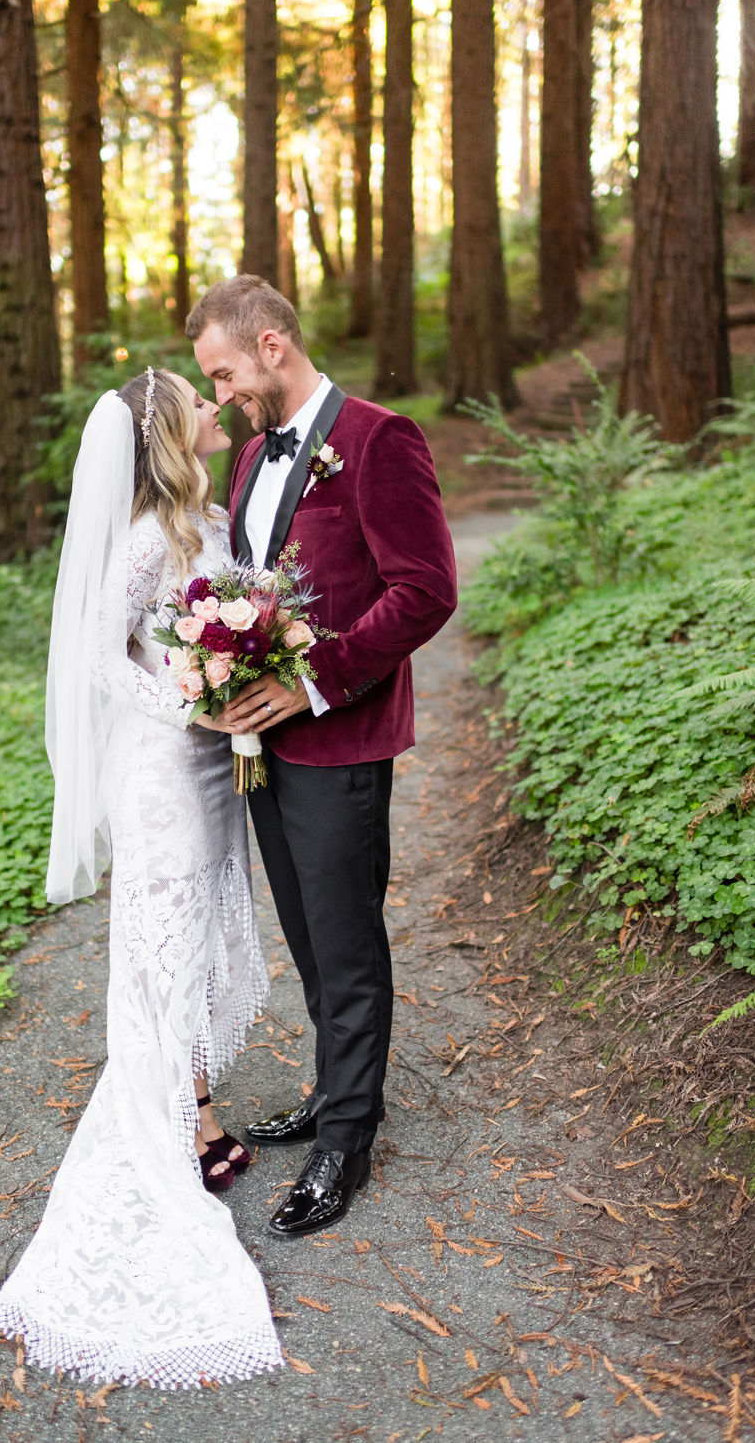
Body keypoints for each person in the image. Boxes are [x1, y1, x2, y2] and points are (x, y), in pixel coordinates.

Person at [0, 368, 284, 1389]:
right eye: (199, 397)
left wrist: (237, 672)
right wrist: (187, 704)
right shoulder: (151, 533)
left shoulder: (209, 512)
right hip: (162, 770)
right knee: (161, 946)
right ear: (166, 430)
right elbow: (98, 656)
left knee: (201, 937)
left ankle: (194, 1110)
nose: (213, 404)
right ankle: (165, 1121)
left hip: (212, 764)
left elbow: (230, 618)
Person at [187, 277, 458, 1239]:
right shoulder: (253, 455)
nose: (220, 398)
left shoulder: (382, 440)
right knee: (305, 930)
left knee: (345, 941)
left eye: (222, 374)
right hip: (263, 743)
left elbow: (425, 592)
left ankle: (349, 1134)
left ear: (270, 344)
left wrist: (311, 682)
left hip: (339, 732)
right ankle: (334, 1087)